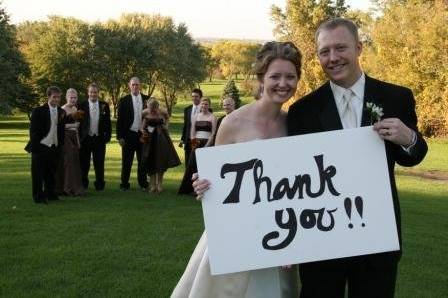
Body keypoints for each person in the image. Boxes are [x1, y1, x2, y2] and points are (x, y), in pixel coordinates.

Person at [287, 18, 428, 298]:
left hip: (378, 233)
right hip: (321, 236)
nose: (333, 58)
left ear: (359, 48)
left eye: (341, 48)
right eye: (324, 51)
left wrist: (408, 138)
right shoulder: (302, 110)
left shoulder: (396, 97)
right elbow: (288, 174)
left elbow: (412, 157)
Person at [171, 41, 302, 297]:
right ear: (261, 79)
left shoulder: (295, 125)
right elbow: (216, 181)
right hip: (233, 234)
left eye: (290, 76)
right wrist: (203, 185)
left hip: (279, 236)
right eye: (275, 76)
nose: (283, 83)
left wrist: (293, 243)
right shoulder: (233, 123)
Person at [26, 86, 66, 204]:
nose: (57, 100)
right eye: (54, 97)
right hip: (40, 147)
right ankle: (38, 196)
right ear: (48, 97)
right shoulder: (38, 111)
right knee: (38, 173)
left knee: (51, 172)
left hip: (55, 146)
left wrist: (60, 145)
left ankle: (50, 194)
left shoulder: (61, 112)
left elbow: (61, 130)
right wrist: (38, 146)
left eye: (58, 97)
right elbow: (33, 131)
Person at [177, 97, 217, 195]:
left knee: (205, 166)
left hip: (207, 143)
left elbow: (213, 133)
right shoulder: (196, 116)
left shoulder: (213, 117)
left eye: (206, 104)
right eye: (203, 104)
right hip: (196, 144)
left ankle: (204, 189)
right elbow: (192, 132)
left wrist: (207, 146)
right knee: (192, 165)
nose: (204, 106)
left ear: (209, 105)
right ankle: (189, 189)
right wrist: (194, 144)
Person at [140, 98, 180, 193]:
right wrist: (143, 132)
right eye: (150, 108)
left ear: (157, 107)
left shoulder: (163, 112)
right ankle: (152, 184)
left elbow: (167, 119)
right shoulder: (144, 113)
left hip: (161, 138)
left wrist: (166, 126)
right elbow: (142, 126)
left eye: (154, 109)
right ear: (147, 106)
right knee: (150, 160)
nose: (152, 111)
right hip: (149, 140)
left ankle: (160, 184)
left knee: (160, 160)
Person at [116, 77, 150, 191]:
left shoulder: (147, 99)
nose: (135, 86)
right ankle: (124, 184)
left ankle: (143, 183)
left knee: (143, 161)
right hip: (128, 135)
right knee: (127, 161)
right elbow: (119, 120)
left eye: (137, 84)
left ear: (140, 85)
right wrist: (120, 137)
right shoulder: (124, 100)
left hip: (143, 135)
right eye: (133, 85)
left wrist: (148, 132)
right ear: (129, 85)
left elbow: (152, 118)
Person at [79, 83, 111, 191]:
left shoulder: (104, 105)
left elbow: (108, 123)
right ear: (88, 93)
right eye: (91, 92)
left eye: (95, 92)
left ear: (98, 93)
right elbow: (79, 124)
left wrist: (108, 137)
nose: (93, 94)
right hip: (86, 138)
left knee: (99, 163)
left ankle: (100, 185)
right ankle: (84, 184)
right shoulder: (82, 105)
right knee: (84, 163)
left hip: (99, 138)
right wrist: (80, 138)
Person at [55, 88, 85, 196]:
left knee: (75, 162)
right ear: (66, 98)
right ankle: (67, 188)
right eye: (71, 97)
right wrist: (73, 125)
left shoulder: (76, 108)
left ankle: (74, 187)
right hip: (66, 138)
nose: (73, 99)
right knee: (69, 162)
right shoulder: (62, 110)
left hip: (74, 137)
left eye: (75, 97)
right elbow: (60, 126)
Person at [180, 88, 202, 165]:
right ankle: (188, 177)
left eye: (196, 96)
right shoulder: (187, 109)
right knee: (188, 163)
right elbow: (186, 125)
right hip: (188, 139)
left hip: (200, 140)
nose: (194, 98)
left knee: (198, 163)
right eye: (193, 96)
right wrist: (182, 139)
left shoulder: (205, 109)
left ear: (200, 97)